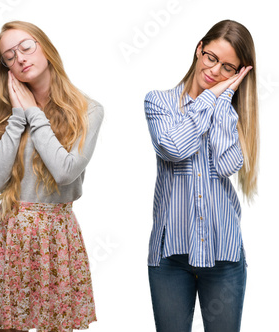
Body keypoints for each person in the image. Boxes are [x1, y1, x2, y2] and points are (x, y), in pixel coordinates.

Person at [0, 21, 104, 332]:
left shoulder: (88, 110)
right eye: (9, 56)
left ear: (46, 48)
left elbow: (66, 172)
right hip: (8, 233)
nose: (20, 57)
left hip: (55, 237)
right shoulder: (6, 113)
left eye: (26, 47)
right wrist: (18, 117)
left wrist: (35, 115)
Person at [144, 20, 258, 332]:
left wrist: (221, 103)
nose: (214, 71)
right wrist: (210, 97)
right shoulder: (160, 102)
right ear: (199, 50)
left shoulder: (231, 113)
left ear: (237, 74)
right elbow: (175, 148)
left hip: (224, 254)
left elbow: (225, 166)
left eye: (227, 67)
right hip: (171, 258)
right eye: (211, 57)